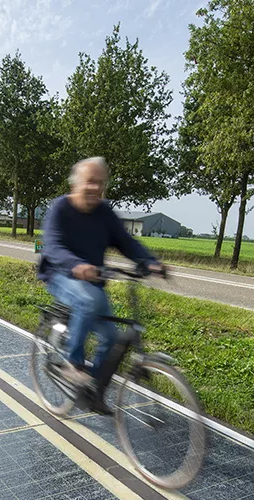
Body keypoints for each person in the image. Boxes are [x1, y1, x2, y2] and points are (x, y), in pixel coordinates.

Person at [37, 157, 164, 409]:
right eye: (90, 181)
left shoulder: (104, 212)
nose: (96, 188)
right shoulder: (60, 208)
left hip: (92, 280)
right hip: (59, 274)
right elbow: (52, 246)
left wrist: (149, 262)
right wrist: (76, 265)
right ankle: (73, 364)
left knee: (111, 338)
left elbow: (126, 242)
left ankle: (93, 391)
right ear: (75, 184)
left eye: (101, 183)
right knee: (87, 300)